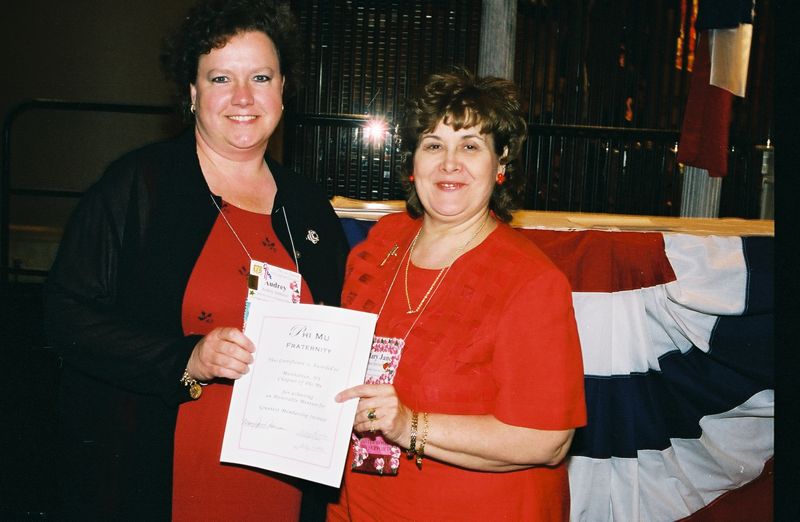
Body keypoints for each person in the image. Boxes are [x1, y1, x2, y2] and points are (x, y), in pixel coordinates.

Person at [43, 1, 350, 520]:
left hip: (286, 482)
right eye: (220, 78)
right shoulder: (141, 185)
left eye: (260, 76)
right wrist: (186, 359)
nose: (243, 98)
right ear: (191, 93)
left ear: (282, 89)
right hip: (162, 474)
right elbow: (63, 316)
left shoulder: (307, 204)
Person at [326, 68, 587, 521]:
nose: (450, 163)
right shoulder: (380, 247)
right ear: (413, 163)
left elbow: (548, 440)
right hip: (358, 506)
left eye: (470, 145)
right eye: (433, 145)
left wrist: (410, 426)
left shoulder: (531, 281)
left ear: (500, 162)